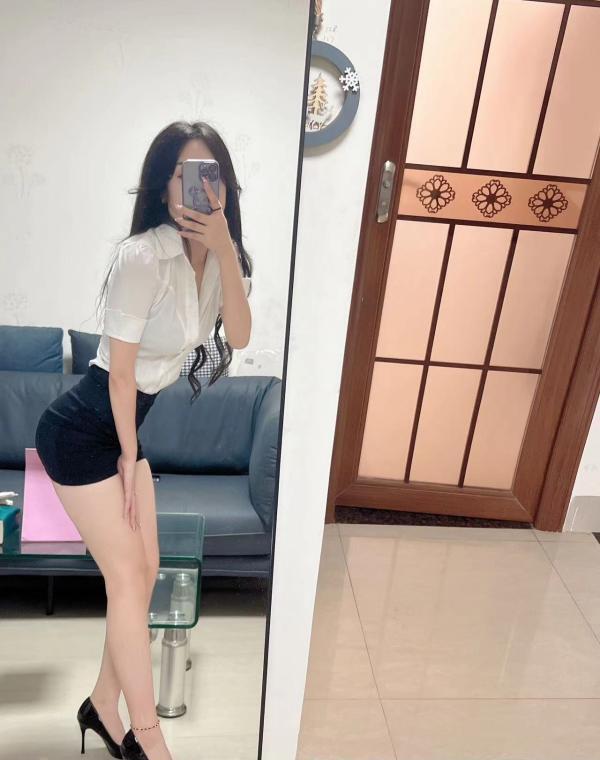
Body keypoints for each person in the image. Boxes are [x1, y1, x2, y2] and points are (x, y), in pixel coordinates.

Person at [34, 121, 252, 760]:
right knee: (128, 576)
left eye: (212, 175)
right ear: (164, 188)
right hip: (82, 431)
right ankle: (147, 737)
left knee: (144, 574)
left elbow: (239, 336)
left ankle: (101, 705)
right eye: (186, 174)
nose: (200, 187)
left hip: (124, 428)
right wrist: (129, 459)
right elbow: (121, 374)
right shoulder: (142, 257)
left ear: (225, 188)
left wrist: (226, 251)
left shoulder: (221, 261)